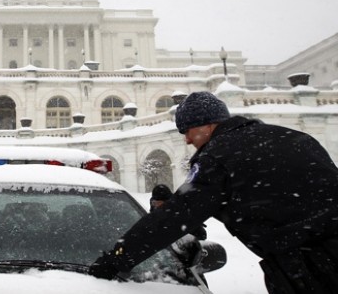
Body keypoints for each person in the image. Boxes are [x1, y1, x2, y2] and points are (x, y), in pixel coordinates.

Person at [89, 91, 338, 293]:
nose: (187, 140)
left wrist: (116, 260)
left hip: (309, 267)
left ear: (206, 125)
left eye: (187, 130)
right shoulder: (297, 138)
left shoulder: (218, 156)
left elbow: (174, 217)